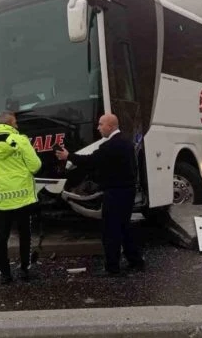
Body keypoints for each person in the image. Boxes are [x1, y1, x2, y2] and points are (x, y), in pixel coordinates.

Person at [55, 113, 144, 276]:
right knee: (124, 227)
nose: (98, 127)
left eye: (101, 124)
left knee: (111, 231)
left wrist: (69, 156)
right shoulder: (126, 143)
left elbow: (91, 161)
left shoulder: (109, 146)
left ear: (110, 126)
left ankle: (112, 267)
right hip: (128, 191)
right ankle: (135, 261)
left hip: (115, 193)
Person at [0, 111, 41, 284]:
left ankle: (5, 274)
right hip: (23, 197)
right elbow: (35, 166)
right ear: (10, 123)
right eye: (15, 123)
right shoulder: (20, 140)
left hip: (1, 198)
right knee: (25, 234)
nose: (17, 126)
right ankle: (24, 269)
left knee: (2, 236)